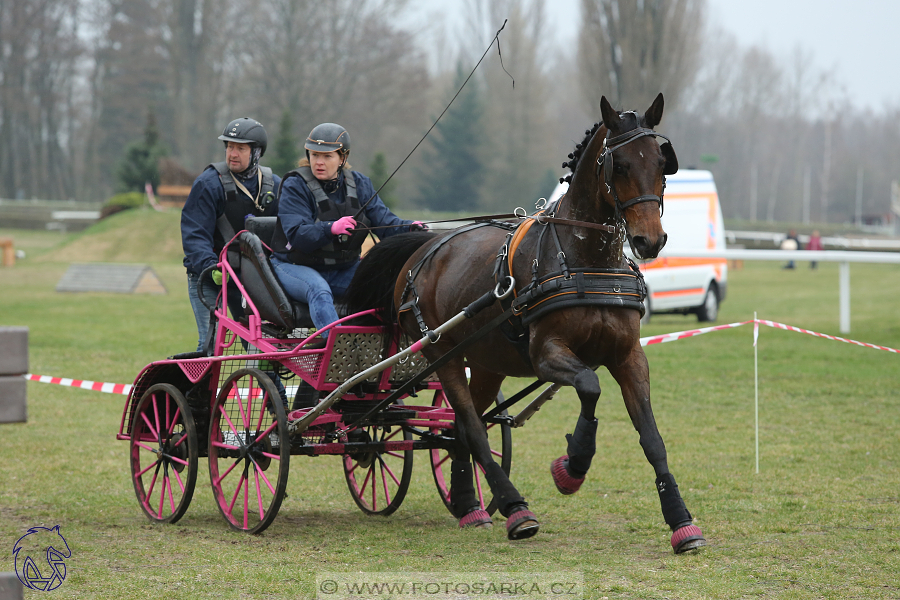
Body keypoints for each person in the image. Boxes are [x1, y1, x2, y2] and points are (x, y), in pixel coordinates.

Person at [270, 122, 425, 342]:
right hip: (294, 267)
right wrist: (331, 228)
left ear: (343, 158)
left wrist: (411, 229)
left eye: (327, 156)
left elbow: (386, 223)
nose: (319, 162)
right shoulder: (295, 185)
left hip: (343, 268)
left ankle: (384, 350)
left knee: (387, 287)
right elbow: (298, 235)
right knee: (319, 291)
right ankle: (339, 351)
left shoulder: (360, 184)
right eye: (314, 155)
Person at [181, 117, 281, 351]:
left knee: (260, 348)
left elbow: (284, 234)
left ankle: (275, 389)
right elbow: (195, 235)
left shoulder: (275, 186)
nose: (232, 153)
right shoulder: (208, 184)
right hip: (209, 276)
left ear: (256, 153)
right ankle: (200, 389)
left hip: (249, 278)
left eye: (240, 148)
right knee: (211, 344)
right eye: (229, 146)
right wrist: (212, 267)